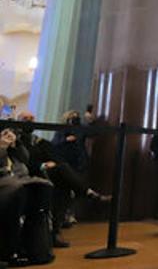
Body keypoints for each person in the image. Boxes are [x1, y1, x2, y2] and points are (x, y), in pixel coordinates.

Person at [16, 111, 109, 248]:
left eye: (32, 118)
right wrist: (44, 164)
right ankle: (89, 193)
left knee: (64, 183)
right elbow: (23, 161)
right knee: (63, 171)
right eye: (25, 119)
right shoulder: (17, 141)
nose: (30, 121)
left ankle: (55, 233)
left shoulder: (39, 141)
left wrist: (89, 122)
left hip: (55, 170)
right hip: (30, 173)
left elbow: (55, 154)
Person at [0, 127, 54, 266]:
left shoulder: (13, 145)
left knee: (43, 187)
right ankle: (10, 252)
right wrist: (2, 147)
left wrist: (16, 143)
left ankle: (36, 250)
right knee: (17, 190)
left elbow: (26, 159)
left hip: (19, 181)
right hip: (6, 183)